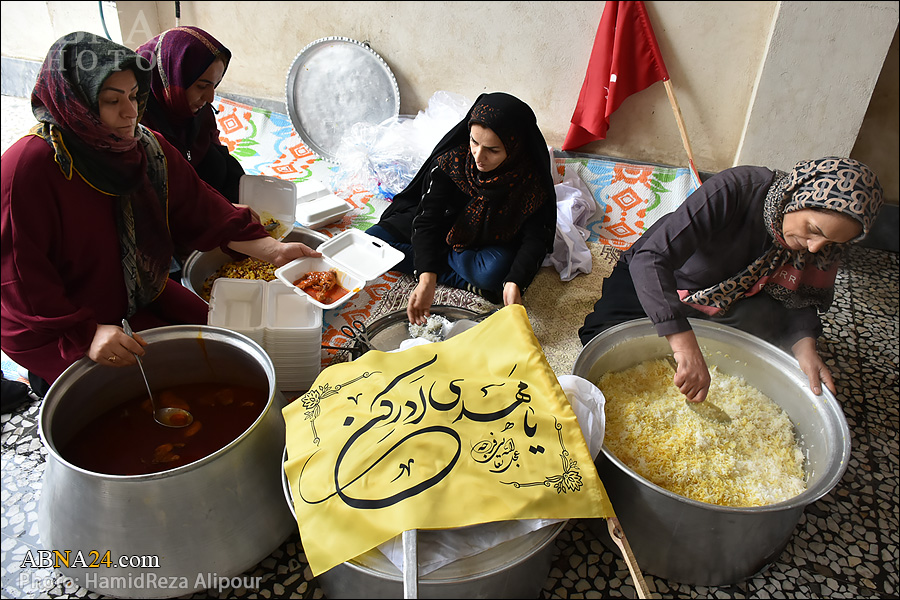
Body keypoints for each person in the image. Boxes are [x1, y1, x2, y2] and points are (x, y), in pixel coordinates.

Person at [0, 31, 320, 396]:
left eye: (135, 96)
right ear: (76, 103)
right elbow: (19, 282)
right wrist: (85, 335)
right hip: (54, 323)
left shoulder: (143, 148)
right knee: (159, 389)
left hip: (133, 288)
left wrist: (273, 250)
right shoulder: (28, 168)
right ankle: (49, 380)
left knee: (229, 342)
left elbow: (199, 205)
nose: (130, 113)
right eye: (110, 101)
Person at [578, 157, 884, 402]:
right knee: (603, 341)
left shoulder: (821, 245)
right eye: (814, 230)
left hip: (737, 297)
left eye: (830, 243)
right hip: (663, 279)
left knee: (760, 357)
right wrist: (684, 345)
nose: (815, 247)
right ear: (799, 197)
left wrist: (805, 348)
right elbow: (651, 258)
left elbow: (799, 297)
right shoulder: (738, 188)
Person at [367, 92, 556, 325]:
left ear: (515, 148)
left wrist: (515, 281)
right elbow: (428, 220)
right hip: (445, 223)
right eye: (474, 142)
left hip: (488, 238)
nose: (479, 156)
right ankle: (453, 273)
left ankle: (447, 264)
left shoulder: (529, 181)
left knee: (493, 272)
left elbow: (536, 237)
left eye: (493, 150)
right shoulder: (452, 161)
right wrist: (427, 277)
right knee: (371, 243)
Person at [136, 26, 244, 204]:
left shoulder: (199, 114)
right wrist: (222, 212)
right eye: (202, 86)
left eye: (215, 85)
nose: (210, 98)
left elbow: (220, 163)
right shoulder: (139, 128)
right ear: (174, 77)